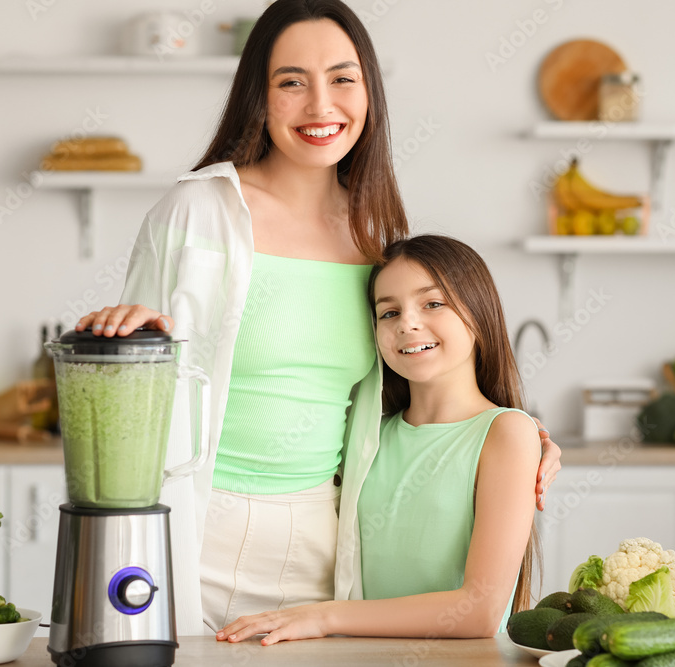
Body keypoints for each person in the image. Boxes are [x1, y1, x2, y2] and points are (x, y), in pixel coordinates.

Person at [74, 0, 561, 635]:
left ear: (369, 93)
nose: (320, 106)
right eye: (291, 82)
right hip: (191, 530)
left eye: (341, 78)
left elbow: (403, 381)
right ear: (260, 95)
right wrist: (121, 337)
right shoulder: (199, 209)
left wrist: (517, 438)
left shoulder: (374, 232)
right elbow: (134, 390)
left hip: (322, 539)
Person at [215, 235, 542, 644]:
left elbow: (479, 610)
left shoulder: (506, 433)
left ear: (478, 311)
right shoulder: (367, 434)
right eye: (388, 312)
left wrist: (325, 617)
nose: (407, 323)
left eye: (433, 303)